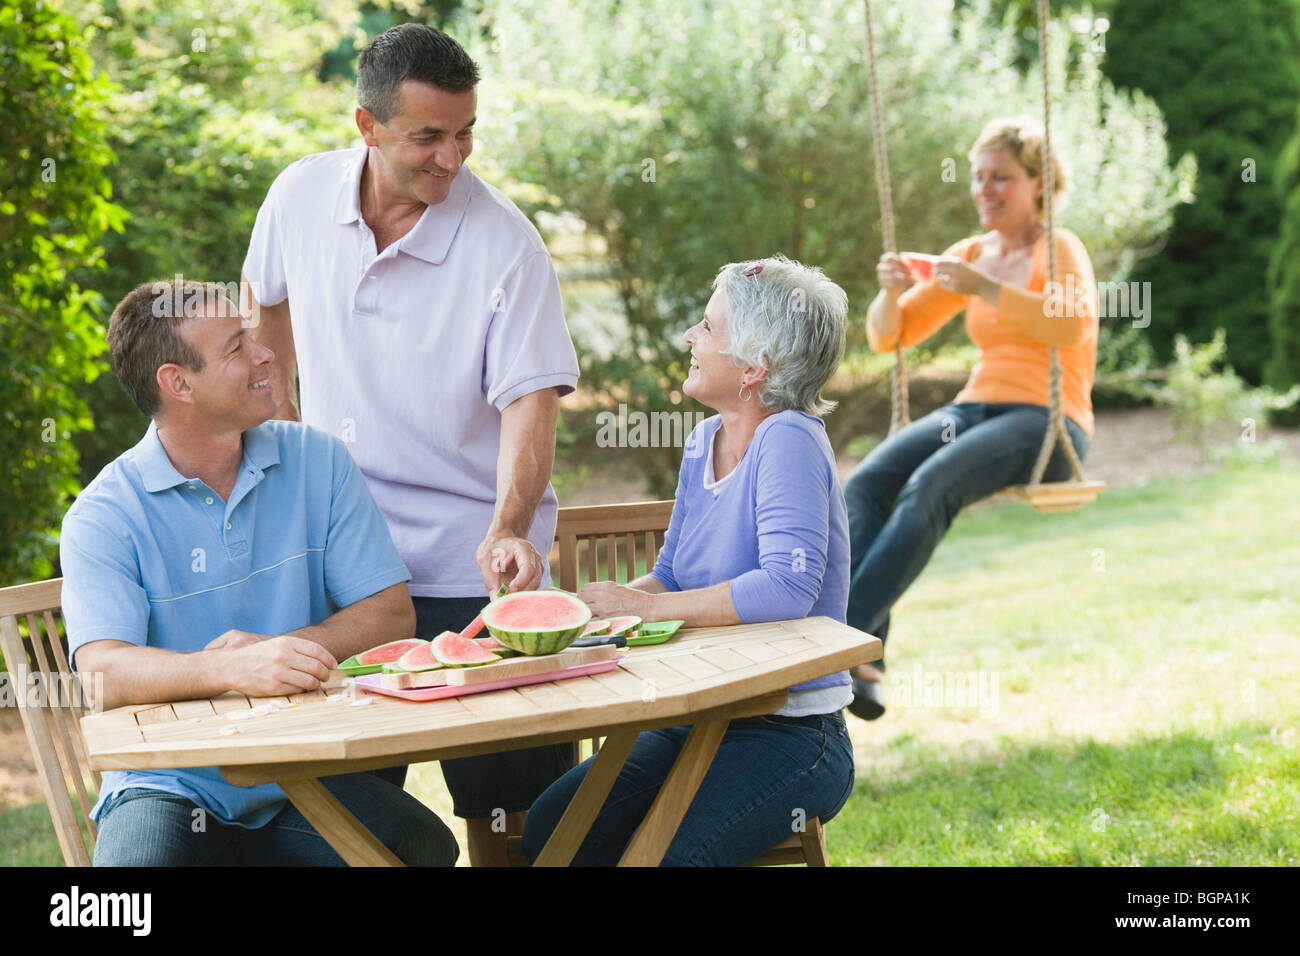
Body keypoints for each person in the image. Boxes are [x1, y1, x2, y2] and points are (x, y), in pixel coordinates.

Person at [240, 24, 580, 865]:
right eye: (428, 136)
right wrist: (282, 425)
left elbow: (531, 405)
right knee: (344, 820)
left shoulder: (506, 245)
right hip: (344, 569)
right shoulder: (296, 197)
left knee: (513, 818)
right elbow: (263, 302)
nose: (452, 157)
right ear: (366, 125)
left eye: (466, 133)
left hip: (477, 572)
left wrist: (507, 526)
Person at [62, 280, 459, 866]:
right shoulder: (103, 514)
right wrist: (228, 667)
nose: (264, 352)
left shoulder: (318, 461)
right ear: (178, 383)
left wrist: (282, 652)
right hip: (170, 783)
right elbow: (102, 672)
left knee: (421, 844)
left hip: (304, 774)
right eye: (236, 345)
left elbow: (390, 612)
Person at [519, 256, 856, 866]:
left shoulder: (789, 437)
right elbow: (673, 572)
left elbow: (787, 586)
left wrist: (648, 606)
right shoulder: (704, 439)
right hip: (697, 717)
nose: (689, 338)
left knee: (669, 859)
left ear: (755, 366)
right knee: (554, 829)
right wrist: (589, 610)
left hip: (789, 734)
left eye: (707, 326)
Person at [844, 116, 1098, 721]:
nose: (985, 189)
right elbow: (893, 335)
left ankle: (837, 639)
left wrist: (987, 288)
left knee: (929, 487)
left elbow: (1072, 325)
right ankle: (865, 659)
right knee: (865, 484)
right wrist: (887, 290)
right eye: (978, 177)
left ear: (1038, 182)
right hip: (975, 406)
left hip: (1048, 421)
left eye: (1001, 178)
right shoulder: (970, 254)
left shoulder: (1058, 246)